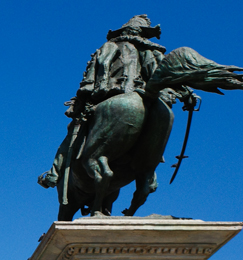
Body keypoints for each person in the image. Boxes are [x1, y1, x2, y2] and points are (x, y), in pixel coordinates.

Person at [38, 15, 166, 190]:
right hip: (143, 98)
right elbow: (156, 75)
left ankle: (53, 174)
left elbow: (89, 81)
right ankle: (151, 164)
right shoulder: (148, 51)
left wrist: (82, 99)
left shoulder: (109, 47)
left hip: (107, 98)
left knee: (72, 134)